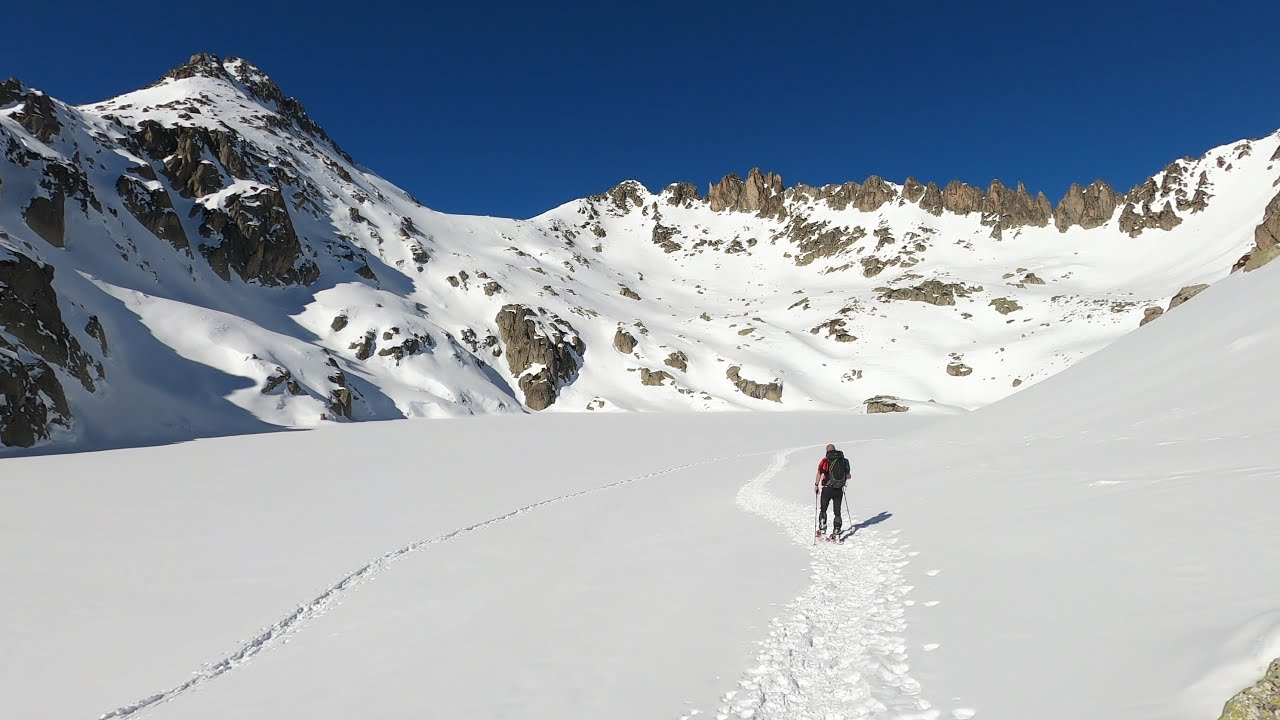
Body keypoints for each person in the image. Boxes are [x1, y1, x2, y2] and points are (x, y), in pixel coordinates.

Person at [814, 443, 850, 541]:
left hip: (827, 489)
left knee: (823, 509)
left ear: (827, 451)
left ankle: (822, 531)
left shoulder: (825, 460)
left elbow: (819, 473)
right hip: (839, 490)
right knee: (837, 512)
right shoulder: (843, 461)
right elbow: (848, 476)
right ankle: (837, 533)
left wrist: (816, 485)